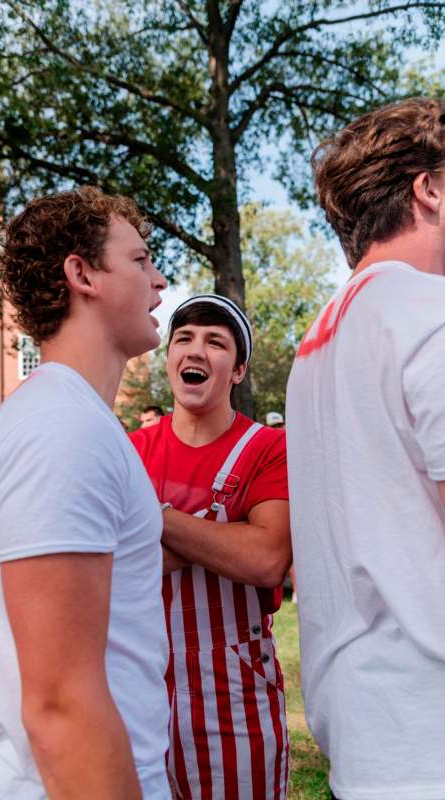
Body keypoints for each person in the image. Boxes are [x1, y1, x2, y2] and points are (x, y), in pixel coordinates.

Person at [0, 186, 171, 799]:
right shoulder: (62, 429)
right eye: (140, 260)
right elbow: (60, 705)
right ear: (81, 274)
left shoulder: (75, 419)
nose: (159, 281)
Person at [286, 97, 445, 800]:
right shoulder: (427, 312)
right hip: (426, 722)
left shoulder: (317, 340)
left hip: (361, 722)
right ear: (429, 188)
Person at [131, 295, 292, 799]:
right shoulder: (131, 449)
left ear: (238, 370)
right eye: (184, 338)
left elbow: (265, 560)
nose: (196, 350)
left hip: (235, 689)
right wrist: (225, 533)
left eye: (216, 343)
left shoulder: (268, 448)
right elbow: (105, 563)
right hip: (140, 679)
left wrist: (153, 519)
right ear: (169, 358)